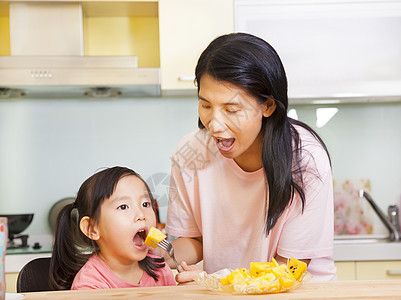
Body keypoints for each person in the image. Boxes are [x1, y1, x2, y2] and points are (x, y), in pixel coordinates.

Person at [165, 32, 337, 283]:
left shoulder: (305, 159)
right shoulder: (189, 152)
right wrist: (158, 256)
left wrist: (212, 280)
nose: (214, 125)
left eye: (231, 109)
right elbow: (194, 240)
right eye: (205, 105)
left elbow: (289, 269)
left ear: (267, 106)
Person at [49, 166, 176, 290]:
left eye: (145, 204)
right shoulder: (89, 286)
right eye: (123, 207)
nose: (141, 215)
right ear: (92, 229)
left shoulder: (160, 269)